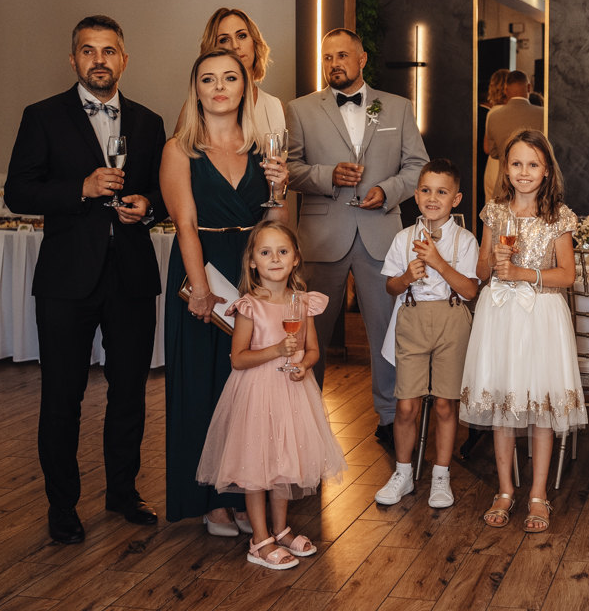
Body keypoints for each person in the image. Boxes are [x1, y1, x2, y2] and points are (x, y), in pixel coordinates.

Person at [6, 15, 166, 544]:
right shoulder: (42, 116)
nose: (100, 59)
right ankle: (62, 506)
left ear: (124, 59)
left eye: (109, 50)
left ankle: (122, 492)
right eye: (89, 50)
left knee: (129, 394)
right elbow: (19, 192)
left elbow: (165, 192)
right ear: (73, 59)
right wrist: (81, 187)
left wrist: (147, 207)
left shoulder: (149, 122)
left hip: (132, 277)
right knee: (61, 397)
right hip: (66, 280)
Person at [160, 48, 289, 530]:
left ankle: (242, 494)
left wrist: (281, 189)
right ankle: (209, 501)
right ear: (195, 89)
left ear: (245, 88)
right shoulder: (179, 150)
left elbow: (278, 228)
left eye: (229, 78)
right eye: (208, 79)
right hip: (203, 270)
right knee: (202, 385)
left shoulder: (262, 151)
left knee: (249, 390)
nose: (219, 87)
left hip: (251, 274)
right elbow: (184, 224)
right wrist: (200, 289)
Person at [285, 28, 428, 448]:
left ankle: (391, 420)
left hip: (381, 235)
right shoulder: (299, 109)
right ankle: (306, 422)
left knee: (387, 334)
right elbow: (288, 169)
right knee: (310, 334)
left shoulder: (398, 107)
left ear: (362, 59)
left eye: (342, 56)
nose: (334, 64)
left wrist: (387, 190)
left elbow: (418, 167)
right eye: (327, 57)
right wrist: (326, 175)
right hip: (320, 237)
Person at [195, 220, 346, 570]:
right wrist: (277, 350)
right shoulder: (250, 305)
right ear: (252, 261)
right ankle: (259, 540)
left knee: (283, 463)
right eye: (265, 252)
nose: (275, 259)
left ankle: (280, 529)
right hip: (257, 393)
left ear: (295, 258)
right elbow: (238, 359)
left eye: (282, 251)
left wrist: (303, 365)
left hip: (292, 393)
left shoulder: (302, 303)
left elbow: (312, 349)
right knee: (256, 466)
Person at [462, 130, 586, 533]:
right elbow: (481, 272)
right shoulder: (494, 213)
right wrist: (494, 259)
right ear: (505, 169)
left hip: (541, 316)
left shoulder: (558, 217)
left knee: (541, 408)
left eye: (533, 164)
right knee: (503, 403)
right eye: (516, 164)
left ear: (546, 170)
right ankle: (504, 490)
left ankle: (537, 494)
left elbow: (567, 275)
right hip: (500, 314)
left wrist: (523, 273)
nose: (524, 172)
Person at [375, 160, 480, 508]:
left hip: (451, 321)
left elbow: (470, 290)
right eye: (425, 190)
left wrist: (439, 263)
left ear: (455, 199)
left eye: (441, 192)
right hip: (412, 320)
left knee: (446, 404)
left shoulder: (465, 240)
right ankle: (403, 473)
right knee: (406, 404)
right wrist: (406, 277)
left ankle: (441, 475)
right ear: (416, 196)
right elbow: (391, 287)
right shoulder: (403, 238)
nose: (432, 198)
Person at [176, 8, 286, 136]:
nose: (235, 45)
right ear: (214, 50)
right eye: (224, 39)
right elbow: (178, 147)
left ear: (254, 42)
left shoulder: (276, 107)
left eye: (242, 36)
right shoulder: (196, 105)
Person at [484, 70, 543, 202]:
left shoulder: (494, 116)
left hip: (503, 187)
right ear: (529, 87)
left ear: (506, 90)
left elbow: (493, 152)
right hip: (533, 189)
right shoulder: (542, 114)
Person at [478, 69, 510, 216]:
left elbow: (487, 147)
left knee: (492, 210)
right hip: (502, 164)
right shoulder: (506, 112)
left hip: (491, 165)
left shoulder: (492, 112)